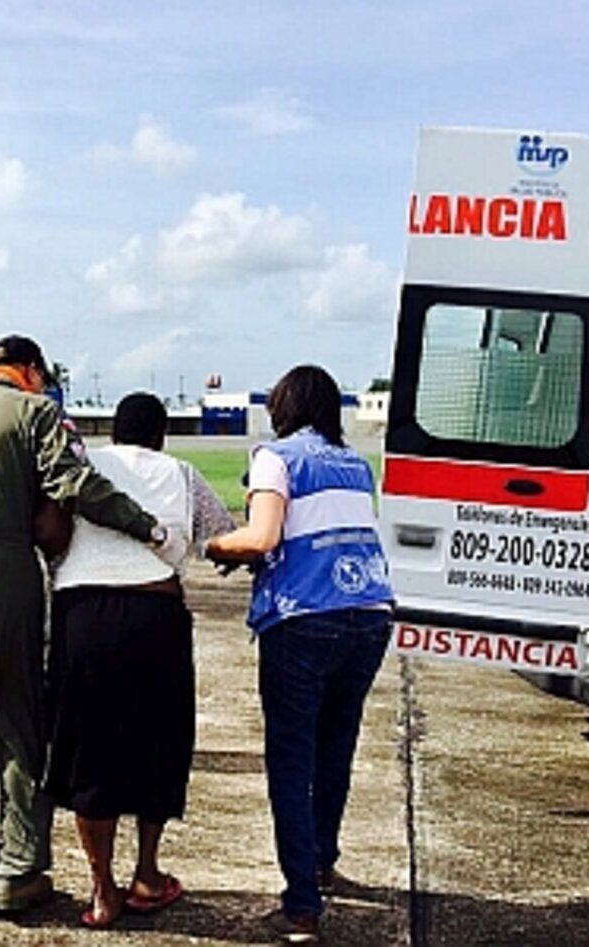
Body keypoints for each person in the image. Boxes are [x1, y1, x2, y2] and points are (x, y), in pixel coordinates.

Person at [0, 335, 169, 919]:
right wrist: (144, 525)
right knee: (17, 720)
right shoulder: (36, 410)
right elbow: (73, 484)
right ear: (31, 372)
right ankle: (20, 870)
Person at [205, 365, 394, 945]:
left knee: (290, 757)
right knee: (335, 748)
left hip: (304, 619)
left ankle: (302, 905)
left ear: (282, 408)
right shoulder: (355, 464)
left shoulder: (277, 457)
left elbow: (262, 538)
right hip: (369, 614)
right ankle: (321, 861)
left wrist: (216, 544)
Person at [45, 392, 235, 929]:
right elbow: (220, 538)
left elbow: (49, 530)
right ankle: (147, 874)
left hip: (82, 614)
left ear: (115, 432)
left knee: (89, 751)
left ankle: (102, 888)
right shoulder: (182, 473)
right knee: (159, 744)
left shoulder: (84, 467)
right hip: (155, 614)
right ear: (160, 435)